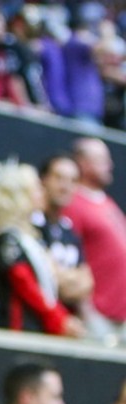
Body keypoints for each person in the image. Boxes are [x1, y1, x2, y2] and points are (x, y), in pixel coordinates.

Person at [0, 160, 83, 338]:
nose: (42, 192)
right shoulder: (8, 238)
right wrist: (58, 319)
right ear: (21, 195)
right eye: (36, 188)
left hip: (37, 329)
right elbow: (26, 286)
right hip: (18, 332)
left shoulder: (31, 238)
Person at [62, 137, 126, 343]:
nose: (110, 165)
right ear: (82, 163)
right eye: (102, 160)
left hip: (120, 317)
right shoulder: (74, 203)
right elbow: (70, 259)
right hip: (98, 317)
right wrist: (87, 311)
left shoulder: (108, 203)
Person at [36, 153, 96, 333]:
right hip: (39, 326)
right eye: (59, 178)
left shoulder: (69, 231)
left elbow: (87, 283)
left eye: (72, 181)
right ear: (43, 180)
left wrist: (63, 277)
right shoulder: (32, 226)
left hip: (69, 326)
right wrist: (67, 279)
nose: (66, 187)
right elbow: (47, 280)